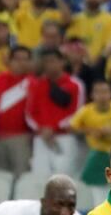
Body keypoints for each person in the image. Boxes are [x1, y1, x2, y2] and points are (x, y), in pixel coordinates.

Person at [25, 48, 84, 177]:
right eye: (46, 62)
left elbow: (78, 113)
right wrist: (42, 129)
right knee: (39, 178)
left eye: (52, 61)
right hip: (41, 138)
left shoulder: (75, 84)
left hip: (65, 137)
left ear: (62, 62)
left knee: (64, 178)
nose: (49, 65)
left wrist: (54, 128)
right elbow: (29, 114)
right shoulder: (36, 85)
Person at [0, 45, 34, 174]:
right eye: (17, 59)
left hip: (23, 138)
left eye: (25, 59)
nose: (21, 63)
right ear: (9, 61)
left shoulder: (35, 82)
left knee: (21, 174)